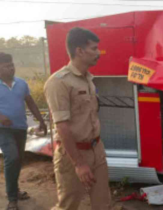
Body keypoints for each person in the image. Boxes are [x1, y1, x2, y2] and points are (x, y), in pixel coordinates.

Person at [44, 27, 111, 210]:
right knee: (69, 205)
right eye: (94, 48)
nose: (98, 53)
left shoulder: (88, 79)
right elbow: (62, 127)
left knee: (102, 203)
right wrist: (79, 164)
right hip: (72, 154)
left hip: (96, 149)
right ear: (80, 51)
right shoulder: (59, 82)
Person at [0, 52, 47, 210]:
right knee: (12, 158)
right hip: (3, 129)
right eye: (7, 66)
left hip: (20, 128)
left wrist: (41, 120)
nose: (11, 68)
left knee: (18, 160)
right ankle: (12, 198)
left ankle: (14, 189)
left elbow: (31, 102)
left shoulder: (21, 83)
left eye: (12, 65)